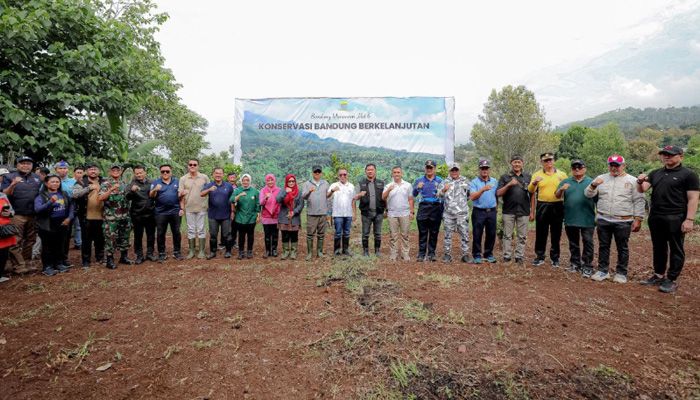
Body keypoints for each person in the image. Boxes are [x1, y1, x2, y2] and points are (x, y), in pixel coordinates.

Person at [637, 145, 699, 293]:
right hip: (656, 216)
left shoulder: (689, 175)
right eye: (664, 154)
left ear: (680, 156)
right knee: (658, 247)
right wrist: (639, 182)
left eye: (670, 154)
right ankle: (658, 274)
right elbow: (643, 189)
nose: (667, 157)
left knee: (676, 248)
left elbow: (693, 198)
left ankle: (671, 279)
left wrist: (689, 219)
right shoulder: (656, 173)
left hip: (676, 217)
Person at [586, 155, 645, 283]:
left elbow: (639, 200)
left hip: (623, 220)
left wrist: (638, 218)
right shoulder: (601, 178)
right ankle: (603, 271)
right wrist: (593, 185)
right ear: (608, 165)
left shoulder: (632, 180)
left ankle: (621, 273)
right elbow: (588, 194)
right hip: (603, 218)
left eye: (617, 165)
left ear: (623, 166)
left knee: (622, 247)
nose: (614, 168)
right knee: (603, 246)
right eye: (611, 165)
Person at [1, 156, 41, 274]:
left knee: (30, 240)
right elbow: (4, 194)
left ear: (32, 166)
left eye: (28, 163)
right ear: (18, 165)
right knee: (16, 240)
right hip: (17, 214)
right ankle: (18, 265)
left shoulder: (36, 178)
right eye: (23, 163)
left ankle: (27, 262)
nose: (26, 165)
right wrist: (13, 184)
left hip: (32, 214)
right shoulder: (9, 177)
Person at [555, 160, 596, 277]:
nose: (577, 170)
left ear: (585, 169)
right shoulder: (566, 181)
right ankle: (575, 263)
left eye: (579, 167)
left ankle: (587, 266)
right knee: (573, 243)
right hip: (570, 217)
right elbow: (557, 195)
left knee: (588, 242)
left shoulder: (591, 182)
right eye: (574, 168)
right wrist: (562, 189)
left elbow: (598, 199)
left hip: (587, 218)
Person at [528, 152, 567, 267]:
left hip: (558, 205)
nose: (548, 162)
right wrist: (534, 182)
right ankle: (540, 256)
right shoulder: (537, 174)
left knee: (556, 232)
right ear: (542, 162)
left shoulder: (562, 175)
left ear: (554, 161)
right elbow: (531, 190)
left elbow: (567, 190)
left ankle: (555, 258)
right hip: (542, 205)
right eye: (546, 161)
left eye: (550, 160)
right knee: (541, 232)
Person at [34, 174, 74, 276]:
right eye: (52, 181)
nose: (55, 183)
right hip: (47, 224)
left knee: (60, 245)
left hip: (62, 223)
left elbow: (71, 207)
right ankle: (47, 266)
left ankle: (59, 264)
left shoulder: (64, 194)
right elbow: (38, 209)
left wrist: (69, 218)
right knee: (48, 246)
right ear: (47, 184)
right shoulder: (41, 196)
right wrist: (50, 202)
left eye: (57, 181)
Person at [496, 155, 531, 264]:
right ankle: (507, 256)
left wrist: (532, 211)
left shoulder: (528, 177)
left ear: (522, 163)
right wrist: (509, 184)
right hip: (508, 210)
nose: (517, 164)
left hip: (524, 210)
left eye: (519, 162)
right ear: (511, 163)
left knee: (522, 236)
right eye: (515, 162)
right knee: (507, 235)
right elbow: (498, 193)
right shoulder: (505, 177)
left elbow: (533, 194)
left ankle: (519, 256)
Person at [98, 164, 133, 269]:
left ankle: (124, 257)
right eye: (114, 170)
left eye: (118, 170)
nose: (116, 171)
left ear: (121, 171)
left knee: (125, 236)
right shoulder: (105, 184)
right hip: (111, 217)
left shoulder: (124, 183)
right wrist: (111, 189)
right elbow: (100, 198)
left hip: (125, 216)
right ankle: (109, 260)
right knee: (110, 238)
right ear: (110, 171)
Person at [72, 162, 105, 268]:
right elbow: (75, 195)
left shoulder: (104, 181)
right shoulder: (81, 182)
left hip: (101, 215)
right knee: (86, 239)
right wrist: (88, 188)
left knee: (100, 238)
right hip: (86, 215)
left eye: (95, 169)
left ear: (98, 171)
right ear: (87, 171)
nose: (93, 171)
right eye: (91, 169)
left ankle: (100, 257)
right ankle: (86, 260)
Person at [150, 164, 184, 262]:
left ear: (171, 172)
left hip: (175, 211)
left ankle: (177, 252)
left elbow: (181, 197)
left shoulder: (177, 182)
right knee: (161, 233)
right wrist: (155, 189)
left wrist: (182, 208)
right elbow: (151, 195)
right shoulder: (156, 182)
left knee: (176, 232)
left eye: (167, 171)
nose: (165, 173)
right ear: (160, 172)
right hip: (160, 212)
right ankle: (161, 253)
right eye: (163, 171)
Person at [437, 163, 470, 263]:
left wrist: (461, 205)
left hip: (462, 213)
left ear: (459, 171)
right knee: (447, 235)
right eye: (452, 170)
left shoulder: (465, 181)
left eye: (456, 170)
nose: (454, 172)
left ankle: (465, 255)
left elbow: (469, 195)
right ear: (449, 171)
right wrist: (444, 189)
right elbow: (438, 195)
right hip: (448, 214)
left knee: (465, 235)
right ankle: (447, 255)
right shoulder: (444, 182)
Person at [413, 160, 444, 262]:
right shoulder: (419, 180)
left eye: (431, 168)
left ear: (434, 169)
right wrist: (418, 188)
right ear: (425, 168)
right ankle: (421, 254)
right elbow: (413, 194)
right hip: (424, 207)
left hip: (436, 207)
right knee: (423, 232)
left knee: (434, 232)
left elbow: (443, 196)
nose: (429, 169)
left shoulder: (440, 181)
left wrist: (442, 210)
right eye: (427, 168)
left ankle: (431, 253)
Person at [201, 167, 234, 259]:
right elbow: (201, 194)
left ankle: (228, 251)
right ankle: (213, 252)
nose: (218, 175)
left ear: (223, 175)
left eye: (220, 173)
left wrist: (232, 212)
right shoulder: (209, 185)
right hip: (213, 215)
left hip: (225, 215)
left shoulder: (228, 186)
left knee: (226, 234)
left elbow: (232, 200)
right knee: (213, 235)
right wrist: (209, 190)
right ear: (213, 174)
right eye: (216, 173)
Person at [469, 160, 499, 263]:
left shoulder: (494, 181)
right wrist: (482, 189)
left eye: (486, 168)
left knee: (491, 233)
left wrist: (496, 207)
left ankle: (488, 254)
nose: (484, 170)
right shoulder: (474, 182)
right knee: (477, 233)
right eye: (482, 168)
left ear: (489, 170)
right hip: (478, 211)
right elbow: (472, 197)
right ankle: (477, 255)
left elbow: (497, 195)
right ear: (479, 169)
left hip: (491, 211)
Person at [382, 166, 414, 261]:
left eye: (398, 172)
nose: (396, 174)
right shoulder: (388, 186)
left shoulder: (407, 185)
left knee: (405, 235)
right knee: (393, 235)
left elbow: (410, 199)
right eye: (394, 172)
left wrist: (412, 212)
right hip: (392, 213)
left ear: (401, 174)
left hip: (405, 213)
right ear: (392, 174)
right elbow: (383, 197)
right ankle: (393, 254)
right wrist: (388, 190)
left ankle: (405, 254)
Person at [126, 165, 157, 264]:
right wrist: (132, 190)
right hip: (137, 214)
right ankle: (139, 255)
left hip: (150, 213)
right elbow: (127, 197)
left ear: (145, 172)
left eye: (141, 172)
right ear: (134, 174)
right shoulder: (132, 184)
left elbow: (156, 196)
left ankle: (150, 253)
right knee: (138, 236)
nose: (139, 175)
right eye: (137, 173)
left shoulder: (152, 182)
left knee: (151, 235)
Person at [179, 158, 209, 259]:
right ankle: (191, 251)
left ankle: (201, 251)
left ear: (198, 166)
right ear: (188, 166)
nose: (192, 166)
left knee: (201, 229)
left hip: (201, 207)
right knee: (191, 229)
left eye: (194, 165)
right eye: (190, 164)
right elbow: (180, 195)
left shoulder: (204, 177)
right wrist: (182, 206)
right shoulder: (183, 179)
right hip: (189, 208)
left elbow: (209, 190)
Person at [356, 163, 386, 257]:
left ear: (375, 171)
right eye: (368, 169)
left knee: (378, 233)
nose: (370, 171)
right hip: (366, 213)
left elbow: (385, 197)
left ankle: (377, 251)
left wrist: (387, 210)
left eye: (372, 169)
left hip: (379, 212)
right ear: (365, 171)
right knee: (365, 233)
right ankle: (365, 251)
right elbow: (354, 197)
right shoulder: (360, 183)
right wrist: (359, 195)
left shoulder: (381, 183)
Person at [302, 166, 330, 260]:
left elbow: (328, 196)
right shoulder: (307, 184)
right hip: (311, 213)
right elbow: (304, 196)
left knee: (321, 234)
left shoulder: (325, 183)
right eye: (315, 172)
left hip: (322, 212)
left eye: (319, 172)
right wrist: (309, 191)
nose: (317, 173)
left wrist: (332, 191)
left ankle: (319, 252)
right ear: (312, 173)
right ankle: (309, 253)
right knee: (310, 234)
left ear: (321, 173)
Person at [230, 174, 260, 259]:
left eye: (247, 180)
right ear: (241, 181)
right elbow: (231, 200)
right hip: (240, 217)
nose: (245, 182)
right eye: (244, 180)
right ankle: (241, 252)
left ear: (250, 181)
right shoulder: (237, 190)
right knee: (241, 235)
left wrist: (258, 214)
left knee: (251, 235)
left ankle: (249, 251)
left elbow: (258, 204)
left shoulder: (255, 191)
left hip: (251, 217)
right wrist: (239, 195)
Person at [328, 168, 356, 256]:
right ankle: (336, 250)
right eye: (340, 175)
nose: (343, 176)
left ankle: (345, 250)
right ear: (338, 176)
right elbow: (327, 196)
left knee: (347, 232)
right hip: (337, 214)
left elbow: (353, 200)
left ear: (347, 175)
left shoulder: (351, 186)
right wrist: (332, 191)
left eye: (344, 174)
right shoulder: (334, 185)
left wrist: (354, 212)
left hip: (348, 213)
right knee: (338, 232)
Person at [277, 174, 304, 260]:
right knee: (285, 234)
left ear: (295, 182)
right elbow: (278, 199)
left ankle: (293, 252)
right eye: (289, 181)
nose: (291, 183)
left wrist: (294, 212)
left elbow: (301, 205)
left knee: (294, 235)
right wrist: (286, 192)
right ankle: (285, 252)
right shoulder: (283, 190)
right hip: (284, 216)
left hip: (294, 217)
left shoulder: (298, 192)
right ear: (286, 182)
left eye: (293, 181)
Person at [55, 160, 76, 267]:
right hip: (54, 213)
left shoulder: (73, 182)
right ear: (56, 170)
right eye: (60, 168)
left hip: (68, 212)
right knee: (54, 237)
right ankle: (54, 260)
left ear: (68, 169)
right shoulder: (51, 180)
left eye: (64, 168)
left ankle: (64, 258)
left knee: (66, 236)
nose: (63, 170)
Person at [259, 174, 281, 258]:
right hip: (266, 216)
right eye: (268, 180)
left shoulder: (279, 190)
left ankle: (274, 250)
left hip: (276, 216)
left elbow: (281, 202)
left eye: (272, 180)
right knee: (267, 235)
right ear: (266, 181)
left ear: (274, 180)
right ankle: (267, 250)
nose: (270, 182)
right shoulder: (263, 190)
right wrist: (266, 197)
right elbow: (261, 203)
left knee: (275, 234)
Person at [0, 190, 17, 283]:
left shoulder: (3, 196)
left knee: (3, 253)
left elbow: (12, 212)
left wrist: (9, 214)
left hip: (4, 230)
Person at [71, 166, 85, 249]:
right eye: (78, 172)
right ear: (74, 173)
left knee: (78, 226)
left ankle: (78, 243)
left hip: (80, 207)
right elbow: (75, 195)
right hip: (70, 207)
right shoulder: (71, 182)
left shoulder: (84, 182)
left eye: (81, 172)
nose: (79, 174)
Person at [226, 172, 239, 251]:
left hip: (236, 210)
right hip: (225, 209)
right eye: (230, 177)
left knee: (234, 226)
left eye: (234, 177)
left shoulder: (238, 188)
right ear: (228, 178)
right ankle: (224, 242)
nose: (232, 179)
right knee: (226, 227)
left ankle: (233, 242)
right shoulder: (224, 186)